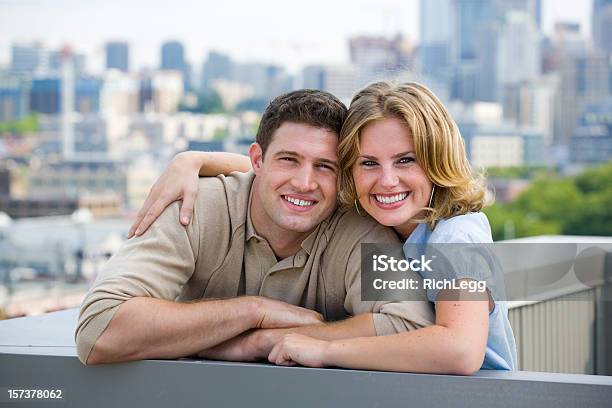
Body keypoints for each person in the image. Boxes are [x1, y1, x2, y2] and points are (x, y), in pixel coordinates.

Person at [131, 82, 517, 373]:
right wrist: (196, 160)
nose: (386, 181)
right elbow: (289, 177)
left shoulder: (457, 235)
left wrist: (323, 349)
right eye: (368, 163)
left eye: (405, 161)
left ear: (437, 159)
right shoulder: (382, 222)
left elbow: (461, 350)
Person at [75, 89, 434, 366]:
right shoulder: (194, 208)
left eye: (324, 166)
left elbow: (432, 337)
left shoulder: (455, 230)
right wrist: (253, 313)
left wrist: (252, 342)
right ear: (257, 160)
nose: (305, 182)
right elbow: (98, 330)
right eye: (288, 160)